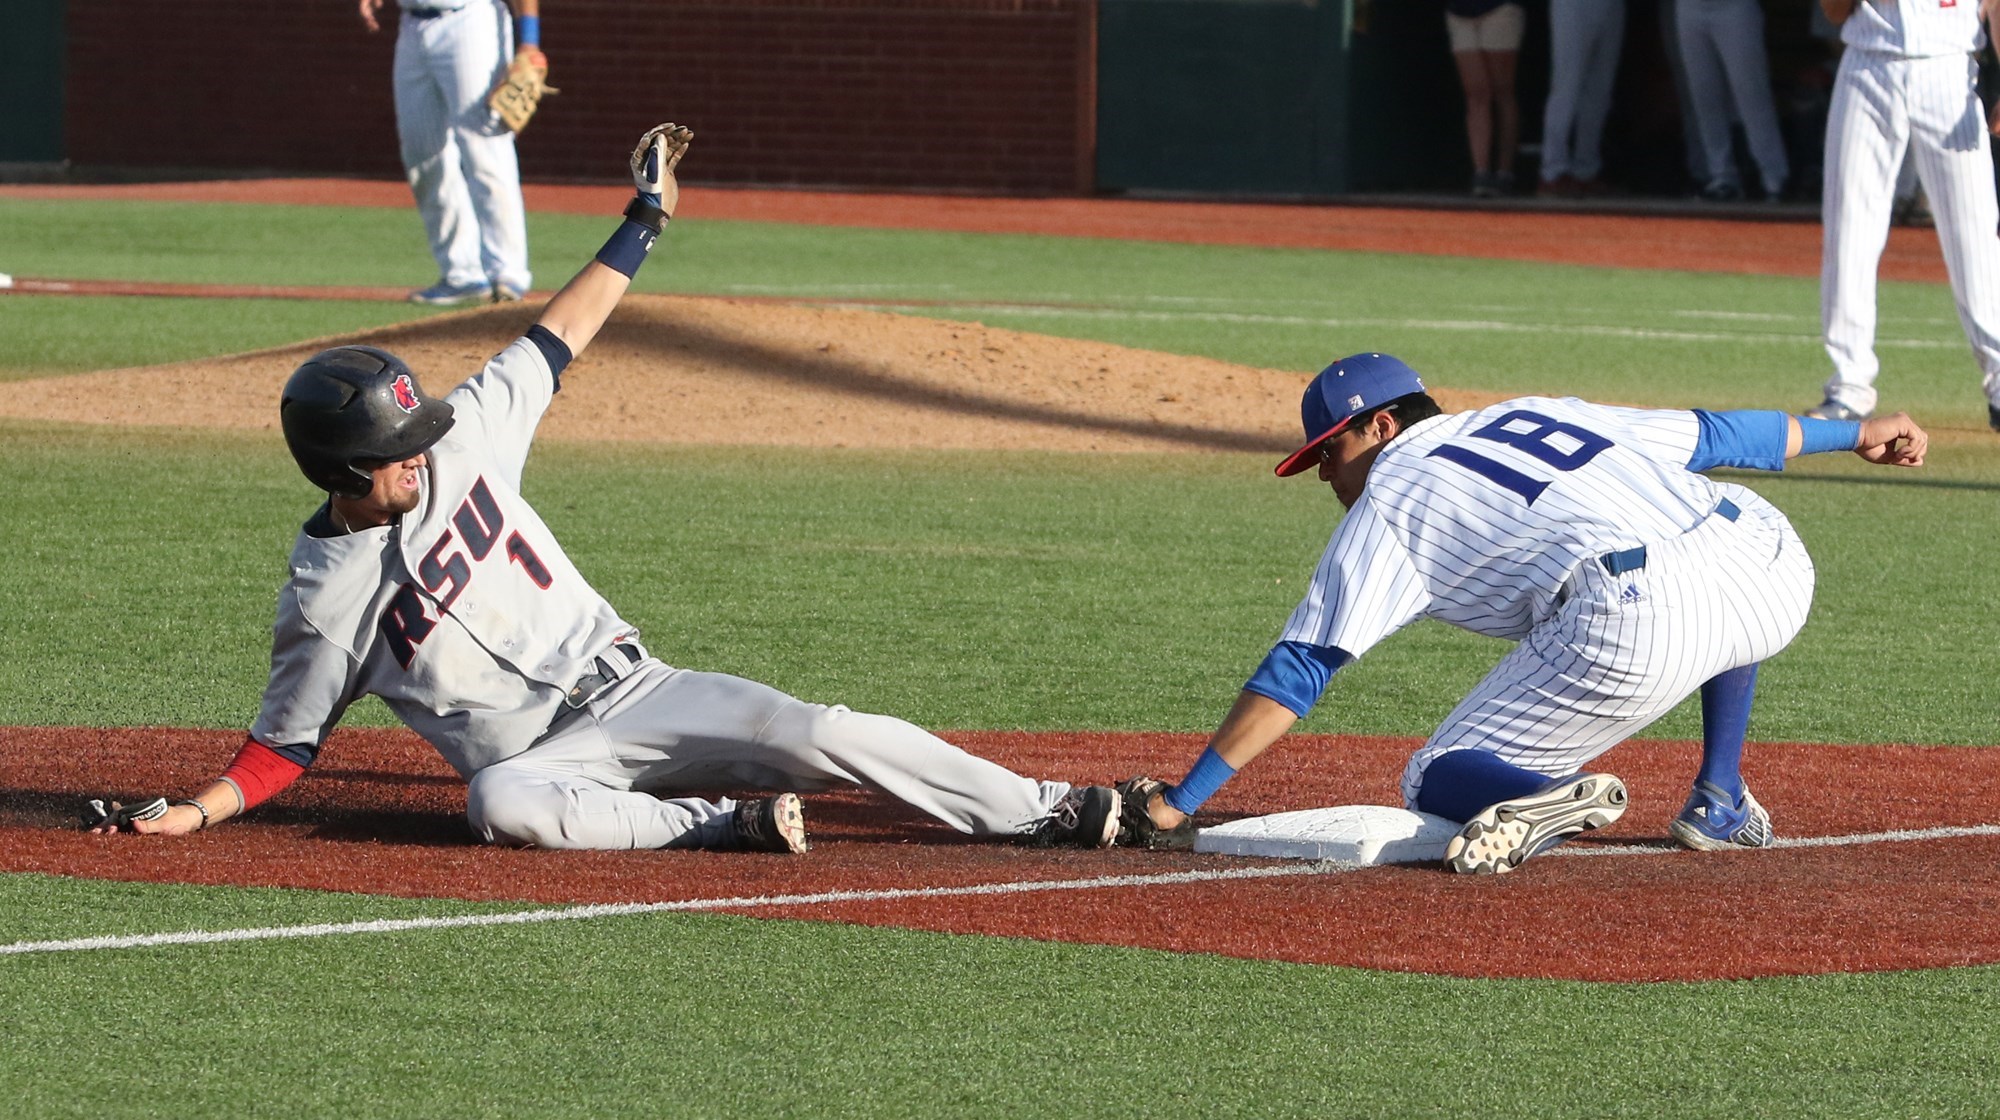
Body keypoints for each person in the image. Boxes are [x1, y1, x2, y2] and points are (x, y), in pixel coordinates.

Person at [84, 123, 1121, 855]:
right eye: (400, 442)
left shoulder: (468, 438)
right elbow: (282, 746)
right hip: (546, 766)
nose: (424, 446)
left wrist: (645, 220)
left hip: (638, 690)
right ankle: (719, 830)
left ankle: (1052, 808)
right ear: (345, 469)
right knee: (498, 802)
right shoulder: (322, 600)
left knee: (819, 731)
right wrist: (195, 812)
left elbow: (558, 334)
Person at [1118, 352, 1928, 874]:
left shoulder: (1390, 500)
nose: (1327, 475)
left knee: (1433, 774)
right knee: (1701, 518)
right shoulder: (1535, 410)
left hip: (1640, 618)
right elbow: (1718, 433)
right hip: (1771, 563)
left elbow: (1302, 667)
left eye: (1331, 450)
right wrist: (1854, 432)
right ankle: (1718, 795)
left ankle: (1549, 796)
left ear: (1383, 423)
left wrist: (1179, 801)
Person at [1811, 0, 2000, 433]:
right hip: (1869, 63)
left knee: (1975, 235)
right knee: (1849, 229)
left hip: (1950, 67)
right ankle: (1849, 385)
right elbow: (1835, 11)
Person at [360, 0, 537, 306]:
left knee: (485, 152)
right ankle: (461, 273)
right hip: (412, 25)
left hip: (470, 21)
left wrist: (529, 40)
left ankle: (508, 274)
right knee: (422, 155)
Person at [1677, 0, 1790, 202]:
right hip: (1688, 8)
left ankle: (1774, 177)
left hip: (1735, 7)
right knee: (1704, 96)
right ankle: (1721, 176)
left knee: (1751, 95)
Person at [1537, 0, 1625, 198]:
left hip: (1611, 6)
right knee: (1566, 87)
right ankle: (1552, 173)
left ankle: (1585, 171)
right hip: (1574, 5)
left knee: (1600, 92)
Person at [1444, 0, 1526, 198]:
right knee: (1476, 94)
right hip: (1458, 13)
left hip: (1500, 9)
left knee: (1502, 91)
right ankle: (1481, 173)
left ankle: (1504, 172)